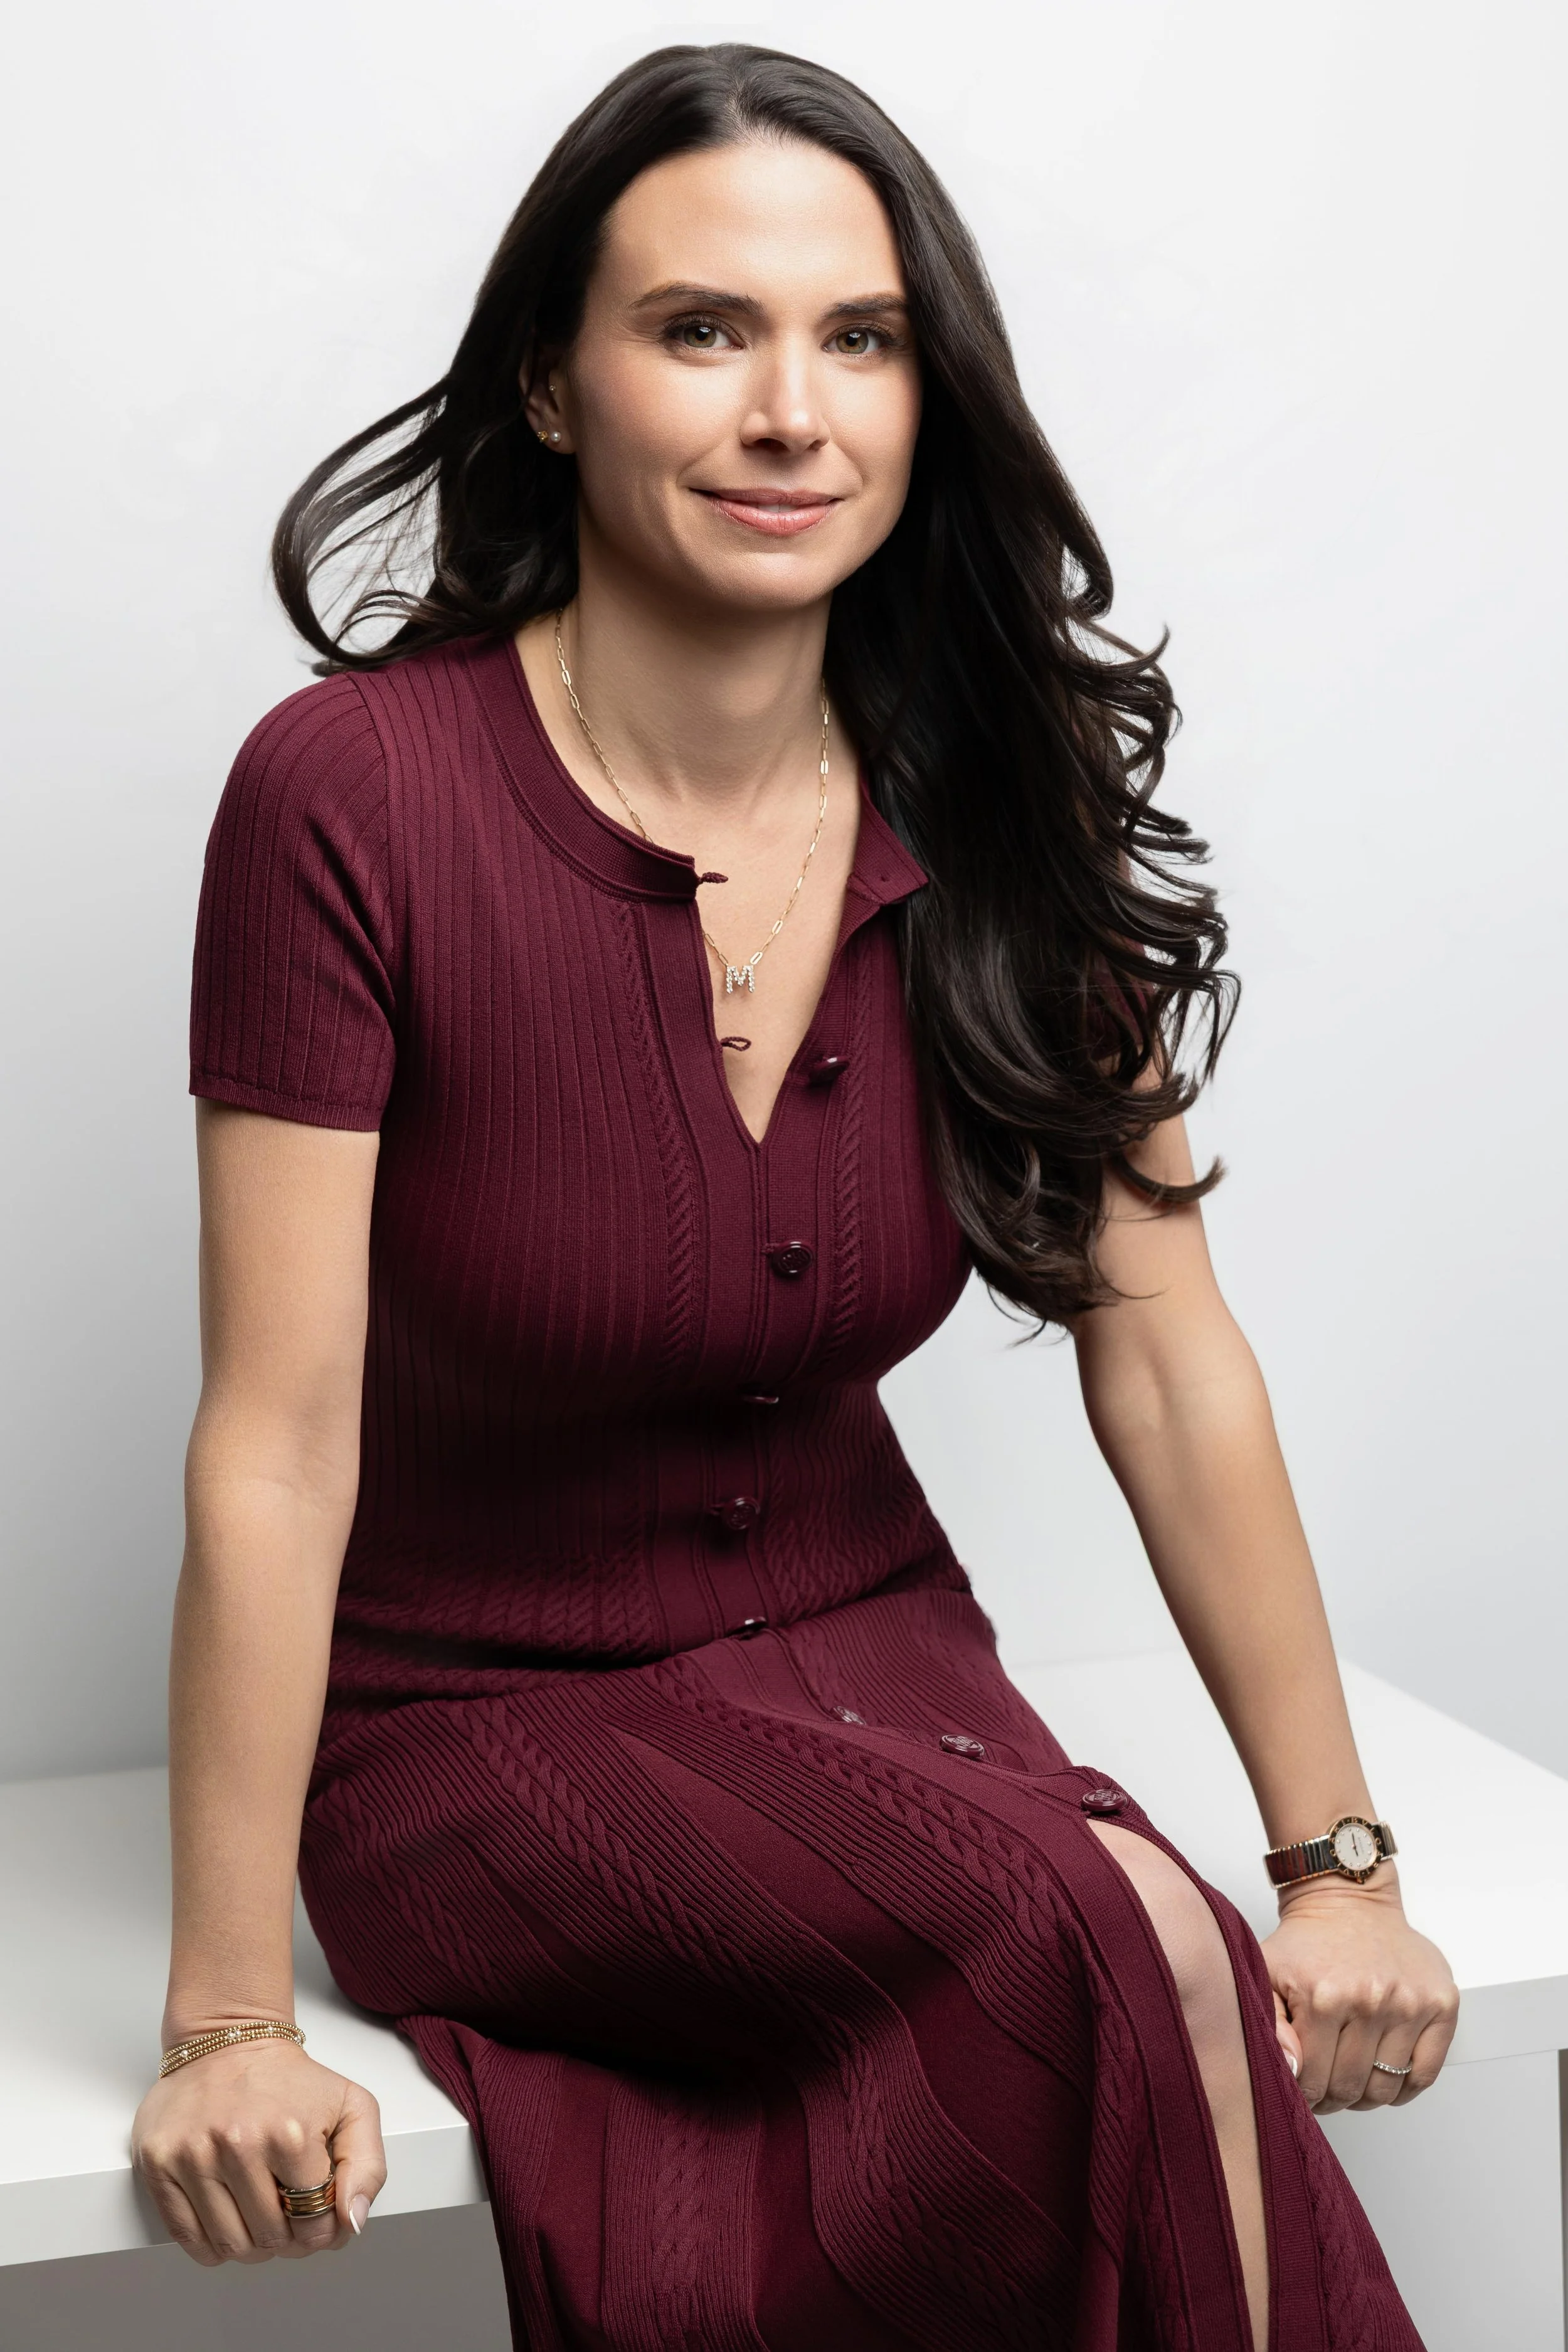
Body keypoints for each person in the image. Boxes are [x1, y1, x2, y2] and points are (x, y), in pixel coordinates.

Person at [132, 43, 1456, 2350]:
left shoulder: (993, 791)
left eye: (858, 338)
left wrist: (1334, 1861)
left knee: (1159, 1933)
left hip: (874, 1655)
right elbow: (275, 1431)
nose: (792, 414)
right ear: (552, 381)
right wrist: (229, 2016)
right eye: (700, 329)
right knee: (1111, 1937)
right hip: (460, 1718)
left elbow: (1163, 1339)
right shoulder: (347, 796)